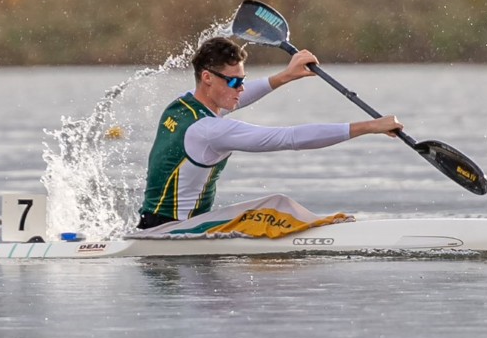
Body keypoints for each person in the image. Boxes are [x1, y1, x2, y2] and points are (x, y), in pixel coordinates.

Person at [137, 36, 402, 228]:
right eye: (234, 81)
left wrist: (285, 76)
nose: (241, 88)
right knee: (277, 206)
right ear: (208, 78)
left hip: (154, 223)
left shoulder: (183, 105)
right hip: (172, 232)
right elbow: (290, 138)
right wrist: (370, 127)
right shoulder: (210, 130)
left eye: (242, 80)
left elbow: (241, 96)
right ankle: (325, 230)